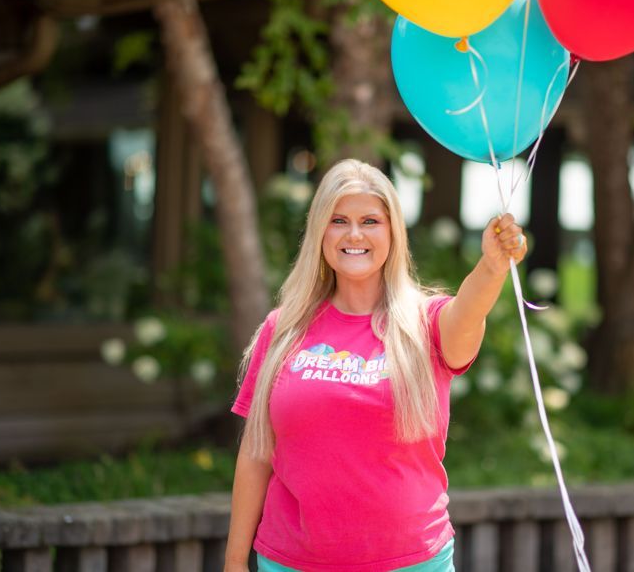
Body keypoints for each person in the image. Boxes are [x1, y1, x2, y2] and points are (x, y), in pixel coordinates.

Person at [225, 159, 527, 572]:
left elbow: (467, 314)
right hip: (290, 562)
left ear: (392, 232)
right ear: (320, 232)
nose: (354, 234)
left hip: (410, 562)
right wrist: (234, 561)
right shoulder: (282, 330)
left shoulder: (426, 324)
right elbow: (256, 453)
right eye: (339, 220)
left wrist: (492, 268)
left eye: (370, 220)